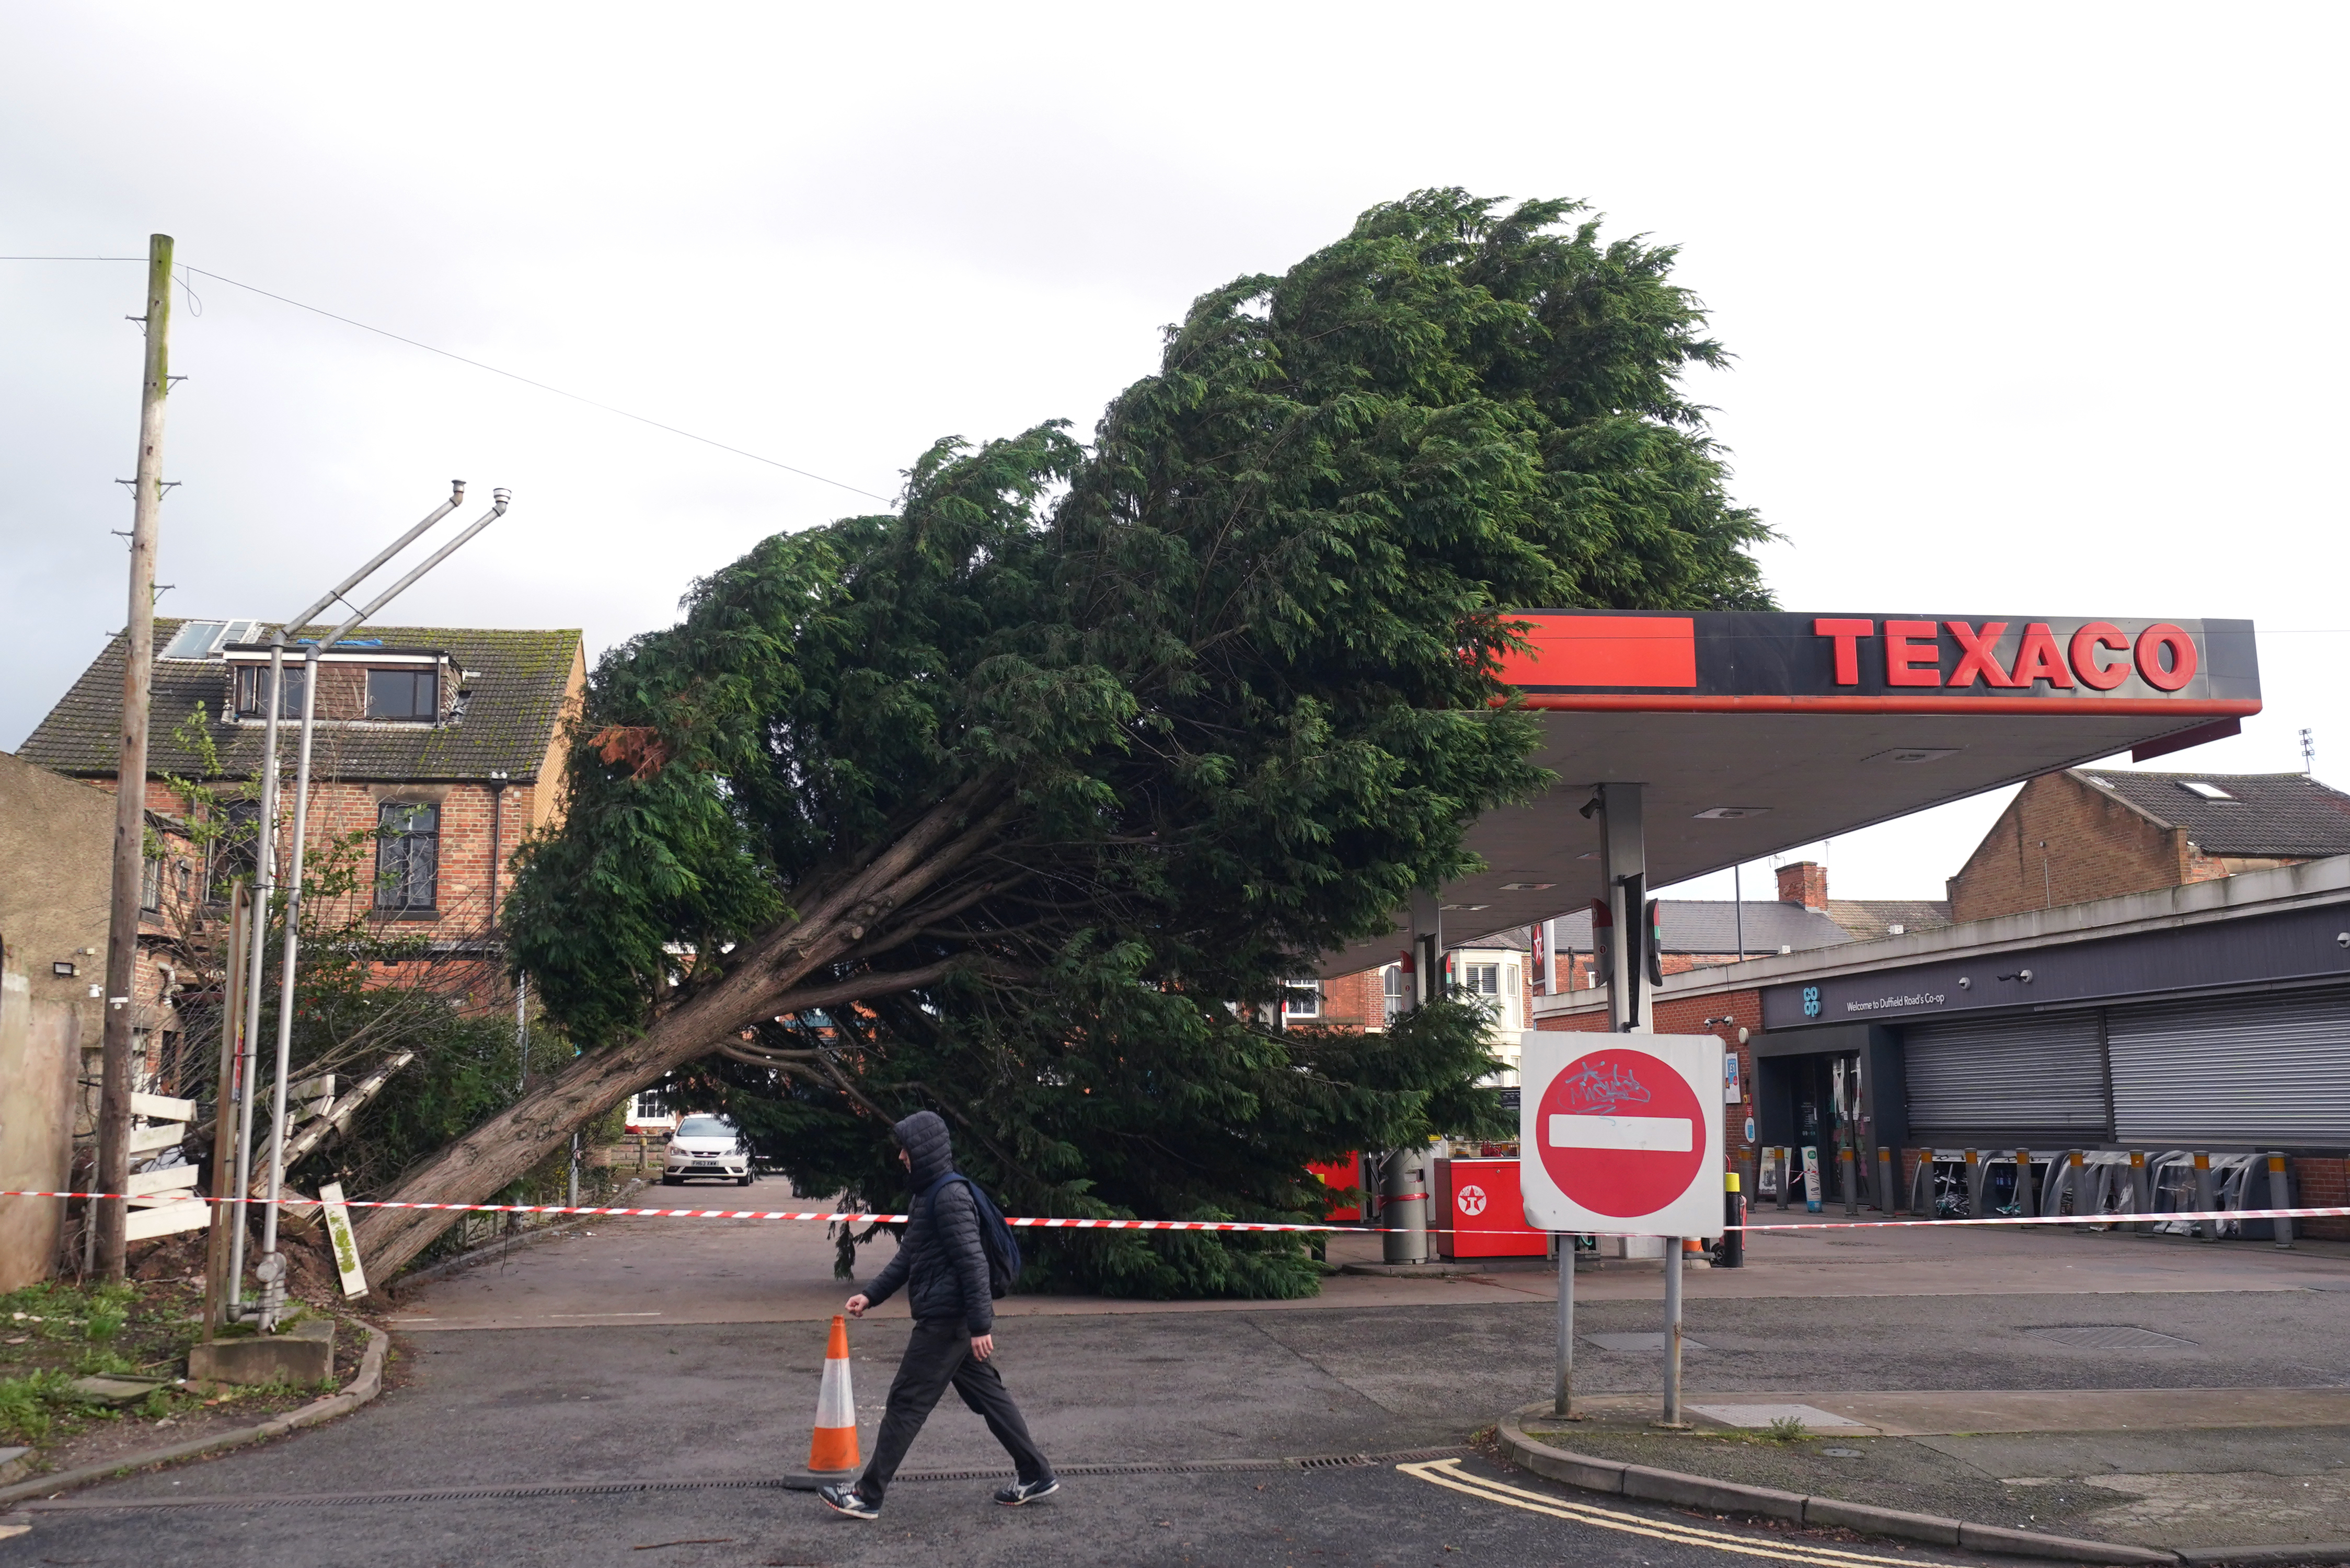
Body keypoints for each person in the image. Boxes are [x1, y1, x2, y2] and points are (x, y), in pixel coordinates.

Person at [818, 1111, 1056, 1520]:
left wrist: (981, 1326)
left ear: (923, 1150)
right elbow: (909, 1257)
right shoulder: (927, 1195)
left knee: (906, 1401)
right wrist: (870, 1296)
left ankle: (867, 1495)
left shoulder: (949, 1197)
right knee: (989, 1396)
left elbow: (973, 1263)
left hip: (948, 1321)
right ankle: (1036, 1473)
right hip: (954, 1320)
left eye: (905, 1149)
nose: (901, 1157)